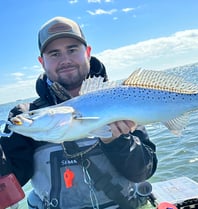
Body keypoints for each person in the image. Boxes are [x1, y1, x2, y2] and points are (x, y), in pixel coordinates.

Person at [0, 16, 157, 209]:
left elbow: (142, 172)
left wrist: (117, 141)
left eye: (72, 50)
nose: (65, 60)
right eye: (54, 53)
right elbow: (12, 179)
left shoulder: (118, 98)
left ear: (88, 52)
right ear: (42, 62)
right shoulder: (25, 114)